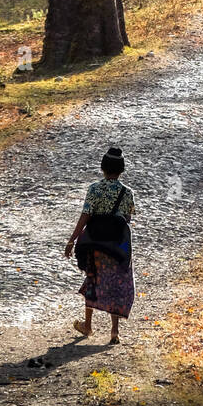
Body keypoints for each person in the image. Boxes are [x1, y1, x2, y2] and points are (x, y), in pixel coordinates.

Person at [65, 146, 135, 344]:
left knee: (93, 278)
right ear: (121, 170)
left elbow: (85, 216)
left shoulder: (94, 189)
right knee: (114, 282)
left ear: (103, 167)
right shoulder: (127, 193)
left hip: (95, 242)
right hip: (117, 244)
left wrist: (72, 240)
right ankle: (114, 331)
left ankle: (87, 325)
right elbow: (128, 217)